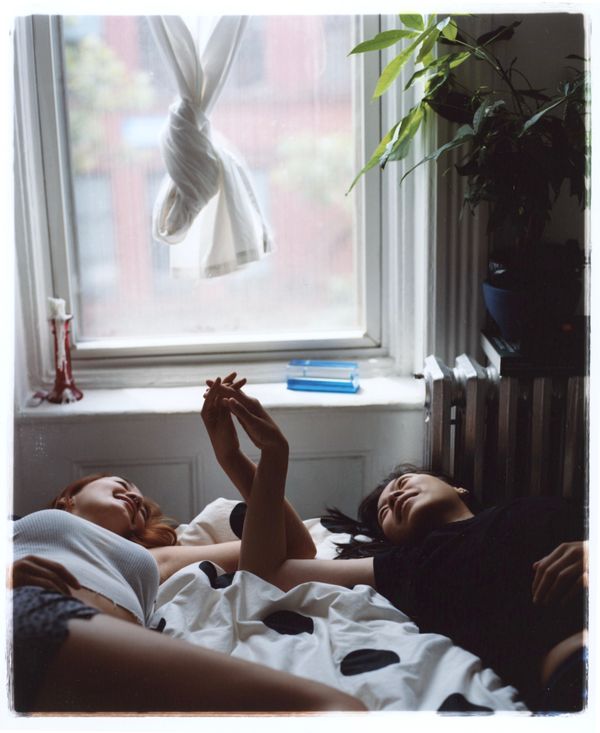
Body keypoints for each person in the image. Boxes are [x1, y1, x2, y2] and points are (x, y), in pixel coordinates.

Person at [208, 380, 588, 713]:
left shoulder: (537, 506)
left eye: (404, 483)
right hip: (576, 662)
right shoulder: (411, 565)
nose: (394, 496)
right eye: (385, 512)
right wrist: (262, 455)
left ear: (457, 487)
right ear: (392, 540)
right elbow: (266, 573)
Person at [8, 373, 365, 714]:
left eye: (140, 507)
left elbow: (292, 548)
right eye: (123, 484)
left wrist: (249, 456)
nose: (135, 496)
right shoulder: (20, 527)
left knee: (340, 708)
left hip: (106, 658)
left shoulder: (149, 558)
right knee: (329, 708)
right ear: (69, 497)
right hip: (30, 613)